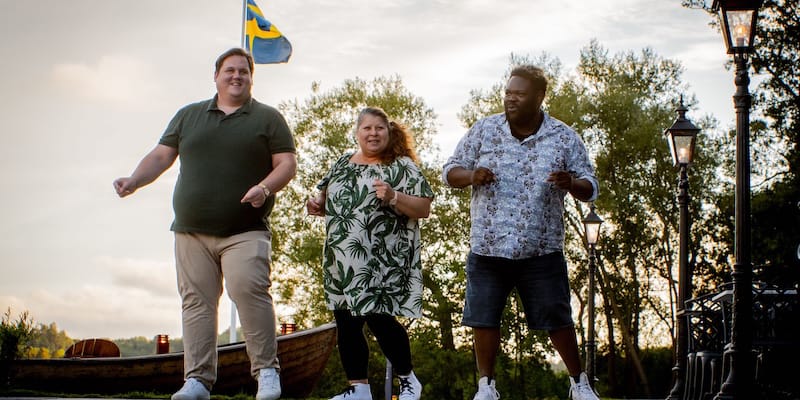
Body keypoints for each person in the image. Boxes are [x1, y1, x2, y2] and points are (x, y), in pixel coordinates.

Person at [113, 48, 297, 400]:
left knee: (248, 290)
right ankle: (197, 380)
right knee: (196, 302)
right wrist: (135, 180)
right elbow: (161, 155)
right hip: (191, 230)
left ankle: (266, 372)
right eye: (230, 70)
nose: (236, 76)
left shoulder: (268, 119)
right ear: (216, 76)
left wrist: (264, 188)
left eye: (243, 71)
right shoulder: (189, 116)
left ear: (251, 78)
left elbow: (286, 164)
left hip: (245, 229)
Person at [442, 65, 600, 400]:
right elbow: (450, 171)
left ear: (539, 97)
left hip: (540, 248)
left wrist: (571, 183)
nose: (511, 99)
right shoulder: (484, 130)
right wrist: (471, 175)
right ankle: (486, 386)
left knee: (557, 318)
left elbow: (591, 186)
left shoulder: (563, 137)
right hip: (489, 246)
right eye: (508, 93)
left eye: (519, 94)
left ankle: (579, 384)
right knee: (484, 318)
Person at [306, 107, 433, 400]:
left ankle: (408, 379)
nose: (373, 133)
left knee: (378, 317)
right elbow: (325, 198)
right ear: (357, 132)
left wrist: (393, 196)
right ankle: (359, 389)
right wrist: (317, 205)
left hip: (381, 259)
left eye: (379, 128)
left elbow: (423, 208)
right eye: (367, 128)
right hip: (341, 257)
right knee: (346, 321)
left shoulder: (401, 166)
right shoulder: (342, 163)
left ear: (388, 132)